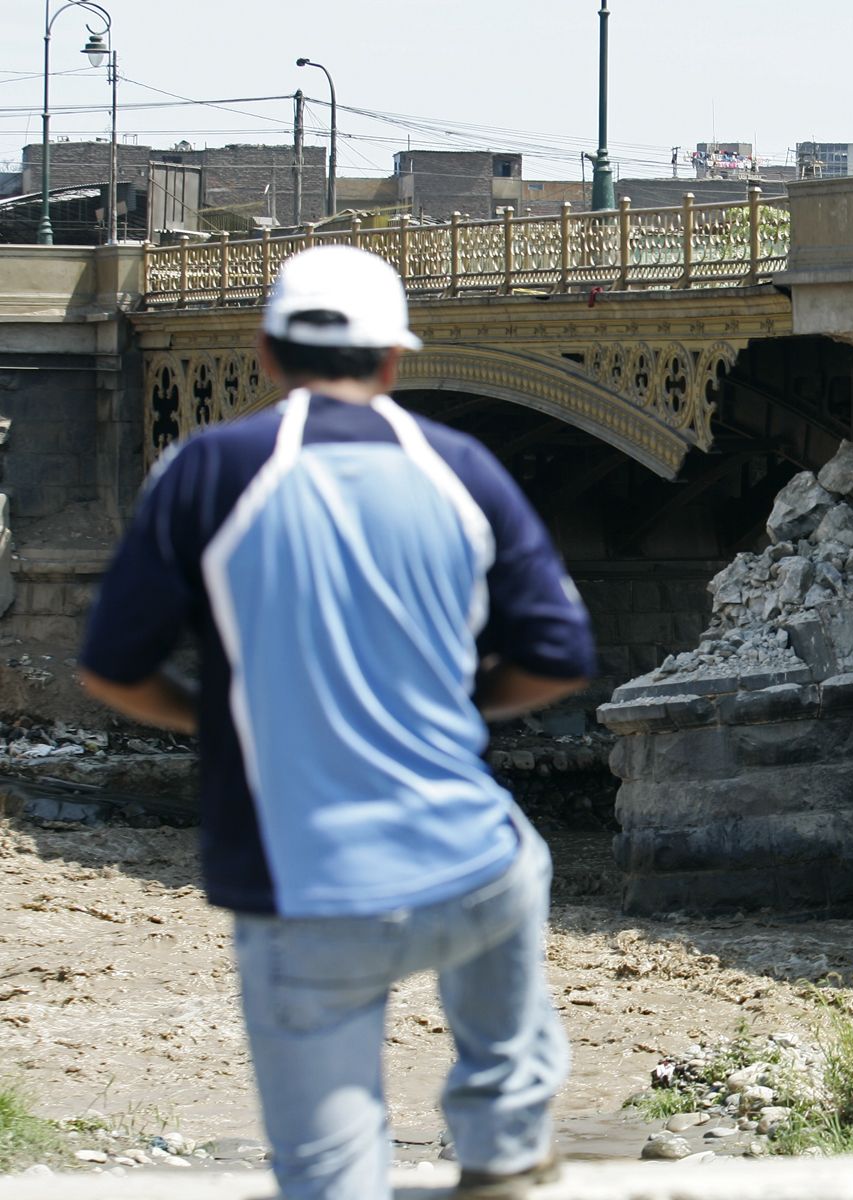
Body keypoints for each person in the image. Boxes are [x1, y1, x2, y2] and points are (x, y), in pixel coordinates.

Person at [78, 245, 593, 1200]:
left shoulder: (209, 471)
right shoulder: (464, 469)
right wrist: (451, 707)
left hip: (305, 890)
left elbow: (112, 667)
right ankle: (507, 1146)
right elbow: (559, 656)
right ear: (396, 359)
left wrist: (223, 722)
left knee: (330, 1173)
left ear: (265, 355)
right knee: (517, 865)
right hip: (471, 875)